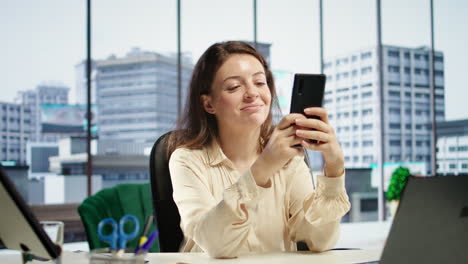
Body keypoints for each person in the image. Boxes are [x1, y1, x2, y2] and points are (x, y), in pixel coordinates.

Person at [167, 41, 350, 258]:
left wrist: (334, 168)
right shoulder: (186, 160)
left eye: (260, 82)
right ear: (209, 104)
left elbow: (319, 241)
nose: (252, 93)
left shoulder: (289, 159)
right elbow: (217, 246)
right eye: (235, 87)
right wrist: (263, 167)